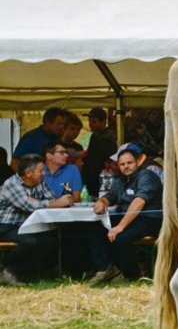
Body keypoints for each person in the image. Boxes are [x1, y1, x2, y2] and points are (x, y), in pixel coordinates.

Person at [88, 143, 165, 284]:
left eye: (129, 162)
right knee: (94, 228)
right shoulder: (120, 180)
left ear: (137, 162)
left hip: (149, 218)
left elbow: (139, 203)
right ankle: (106, 268)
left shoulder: (147, 176)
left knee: (120, 238)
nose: (126, 166)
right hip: (128, 218)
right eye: (122, 164)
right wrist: (102, 203)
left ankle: (133, 275)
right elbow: (110, 196)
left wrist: (120, 226)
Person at [0, 154, 77, 284]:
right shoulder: (12, 184)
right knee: (30, 242)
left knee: (50, 241)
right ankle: (7, 269)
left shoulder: (39, 182)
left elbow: (51, 198)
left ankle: (31, 271)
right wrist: (54, 203)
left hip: (27, 225)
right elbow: (29, 206)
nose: (44, 173)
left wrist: (56, 202)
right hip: (5, 225)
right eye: (40, 170)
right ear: (29, 173)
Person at [82, 108, 118, 198]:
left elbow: (111, 161)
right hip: (91, 178)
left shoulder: (108, 138)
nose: (90, 124)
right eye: (89, 121)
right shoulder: (94, 136)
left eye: (94, 122)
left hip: (102, 179)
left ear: (103, 122)